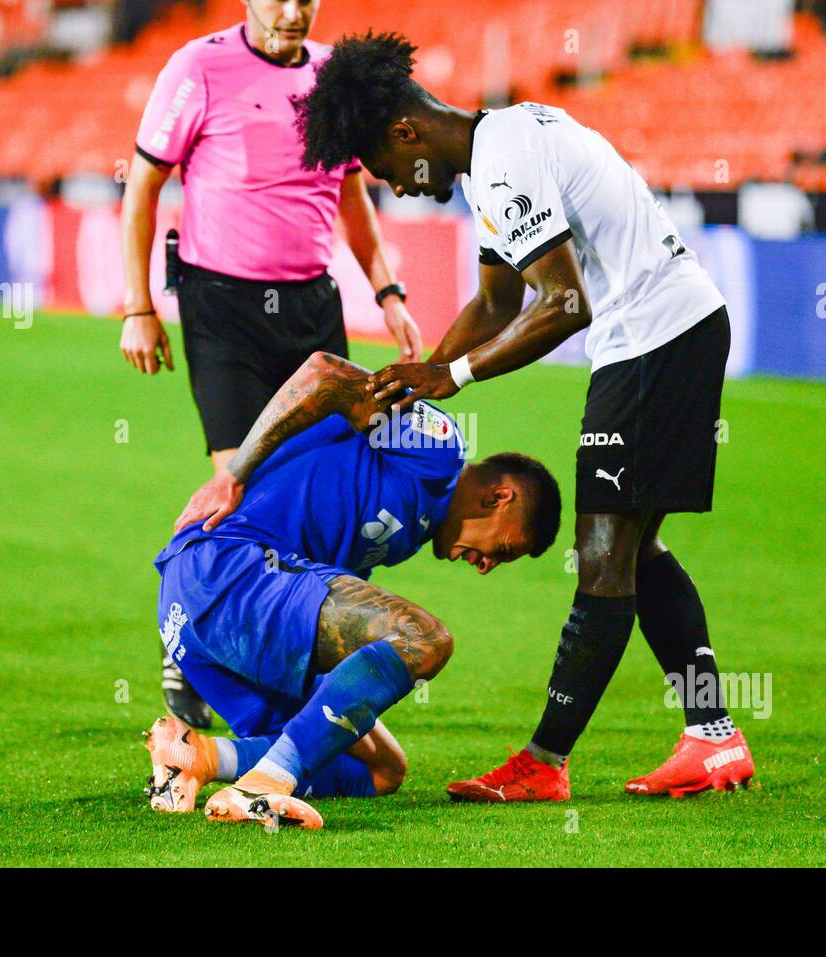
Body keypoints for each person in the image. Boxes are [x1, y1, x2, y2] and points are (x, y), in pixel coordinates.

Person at [292, 32, 756, 801]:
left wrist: (456, 373)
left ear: (407, 133)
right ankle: (713, 735)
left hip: (654, 336)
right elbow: (498, 300)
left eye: (385, 171)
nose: (398, 189)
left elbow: (563, 303)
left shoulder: (504, 160)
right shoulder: (498, 151)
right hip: (663, 332)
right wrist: (415, 382)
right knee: (635, 550)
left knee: (605, 551)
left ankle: (545, 761)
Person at [120, 1, 424, 729]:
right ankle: (192, 634)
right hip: (223, 307)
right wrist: (138, 305)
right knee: (239, 488)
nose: (291, 10)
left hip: (312, 312)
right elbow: (142, 186)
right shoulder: (197, 68)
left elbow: (352, 195)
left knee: (320, 491)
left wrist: (386, 291)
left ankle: (292, 652)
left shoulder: (331, 77)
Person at [147, 351, 561, 828]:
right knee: (424, 638)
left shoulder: (409, 532)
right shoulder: (440, 450)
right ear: (499, 497)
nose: (487, 566)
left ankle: (198, 756)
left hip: (202, 618)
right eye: (504, 550)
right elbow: (324, 373)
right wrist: (233, 474)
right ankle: (264, 786)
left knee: (381, 771)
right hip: (228, 567)